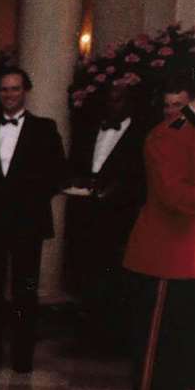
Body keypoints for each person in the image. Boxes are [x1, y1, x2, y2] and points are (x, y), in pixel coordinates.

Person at [0, 68, 66, 372]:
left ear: (26, 91)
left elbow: (57, 175)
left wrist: (27, 199)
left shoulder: (45, 128)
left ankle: (23, 356)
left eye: (15, 88)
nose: (10, 94)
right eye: (4, 89)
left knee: (25, 289)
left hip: (27, 222)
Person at [122, 79, 195, 390]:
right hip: (166, 253)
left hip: (189, 253)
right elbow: (173, 195)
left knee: (181, 341)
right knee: (156, 342)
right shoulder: (170, 134)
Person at [62, 80, 146, 354]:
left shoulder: (141, 135)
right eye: (109, 99)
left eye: (118, 100)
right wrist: (81, 180)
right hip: (85, 215)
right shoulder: (89, 129)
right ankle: (84, 339)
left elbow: (141, 179)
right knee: (84, 277)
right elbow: (76, 165)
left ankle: (110, 342)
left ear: (130, 102)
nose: (112, 105)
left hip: (119, 221)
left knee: (113, 281)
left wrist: (114, 190)